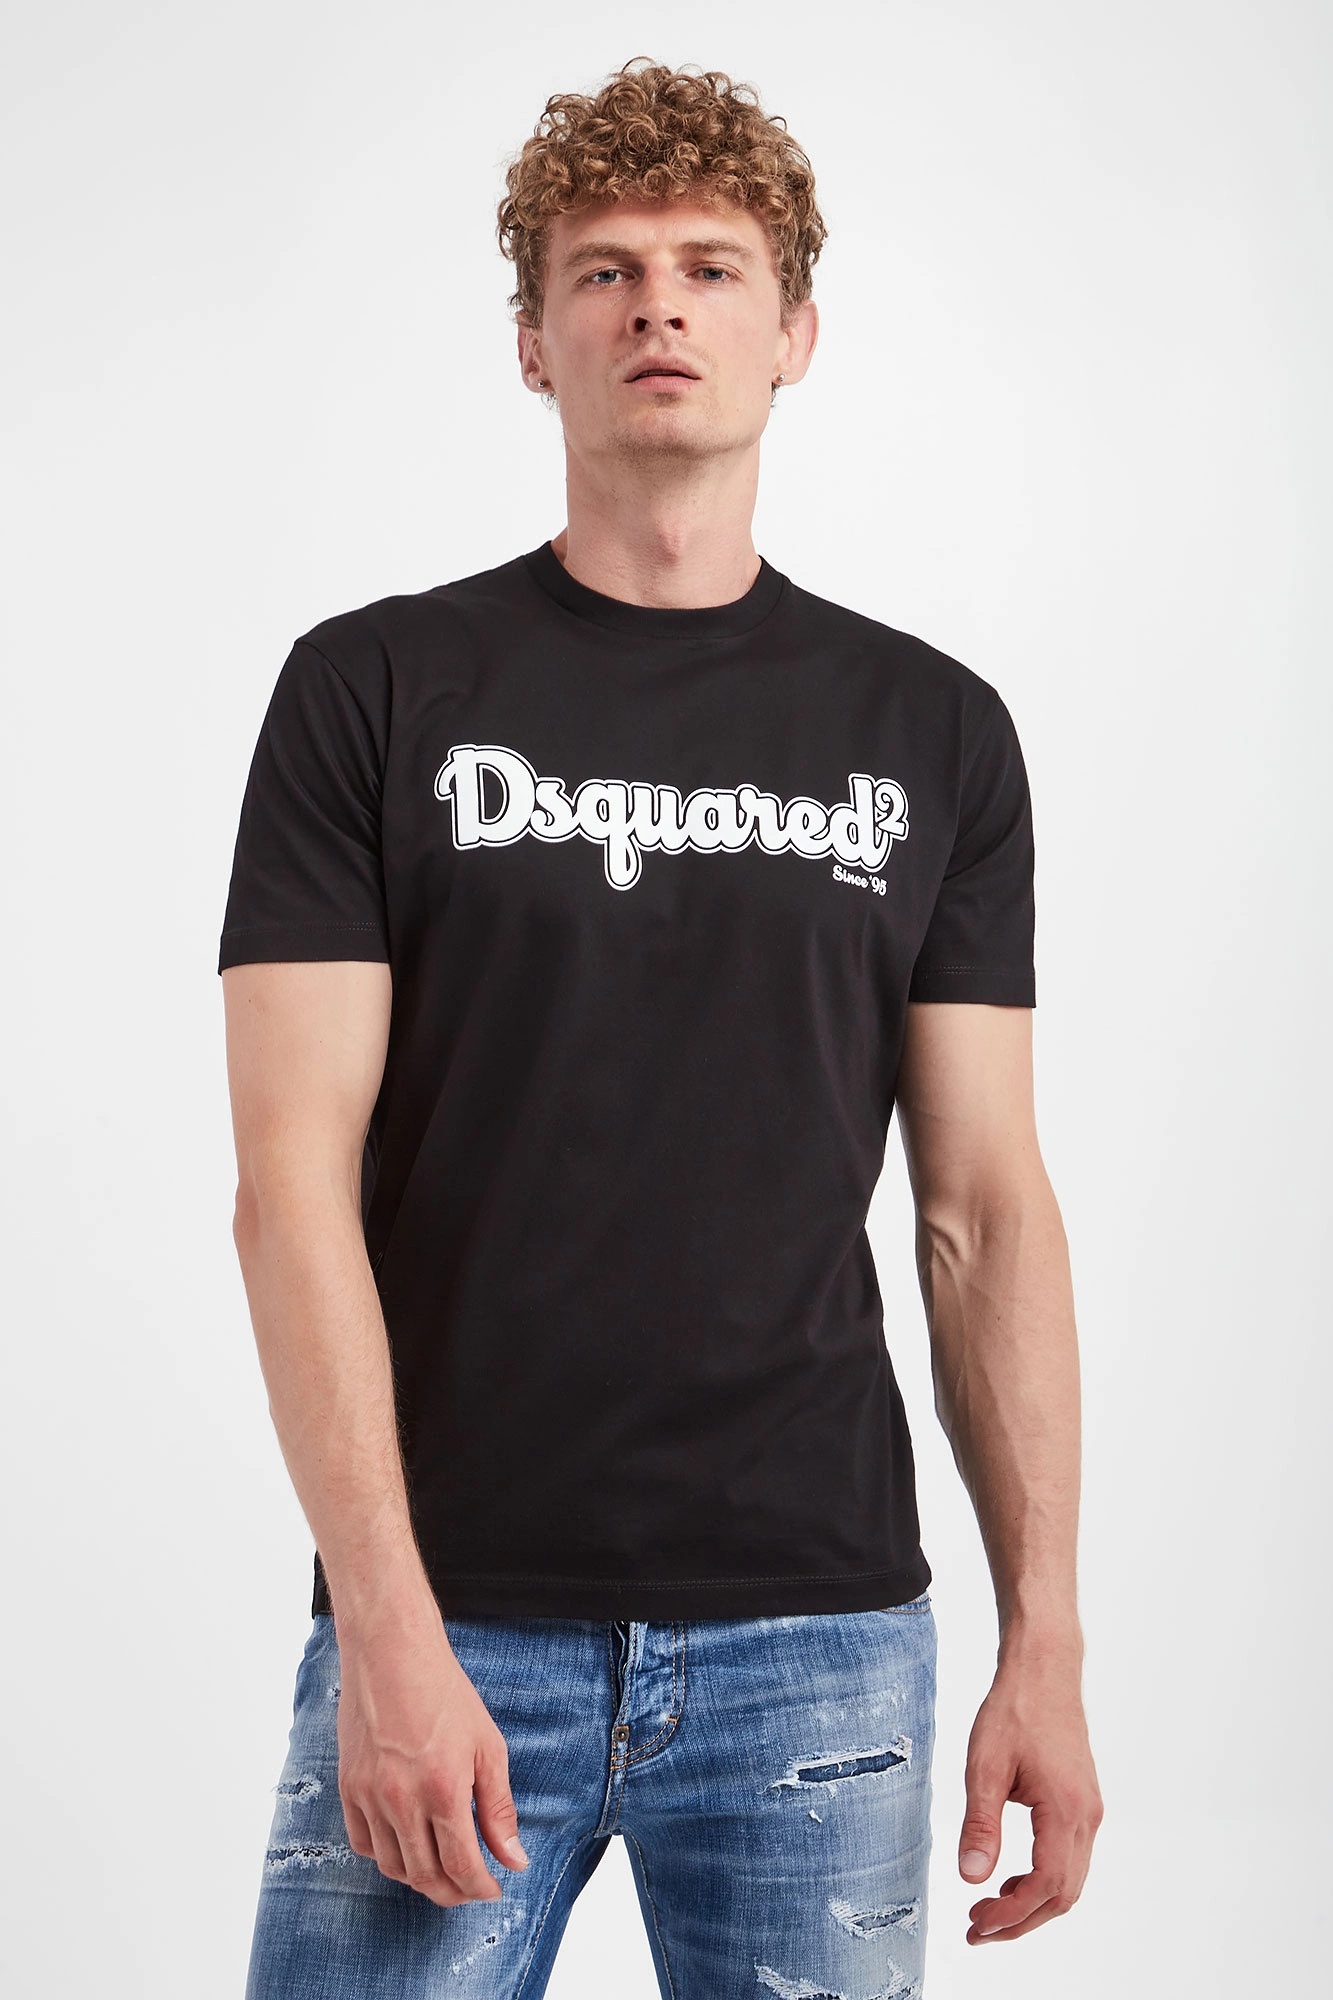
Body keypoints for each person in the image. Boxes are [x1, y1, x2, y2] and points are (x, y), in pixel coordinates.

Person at [219, 58, 1102, 2000]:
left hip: (821, 1638)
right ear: (533, 341)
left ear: (796, 332)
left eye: (712, 267)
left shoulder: (935, 732)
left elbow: (982, 1211)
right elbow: (289, 1185)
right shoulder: (372, 693)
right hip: (453, 1617)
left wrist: (1046, 1634)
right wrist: (382, 1626)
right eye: (602, 271)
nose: (658, 308)